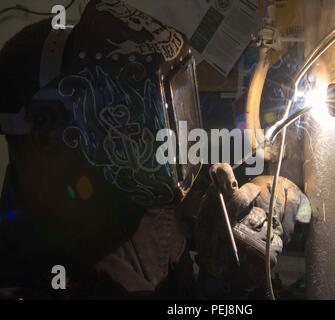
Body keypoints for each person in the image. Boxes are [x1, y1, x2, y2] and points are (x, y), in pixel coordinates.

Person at [0, 0, 310, 299]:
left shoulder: (120, 185)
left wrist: (260, 192)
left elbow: (193, 214)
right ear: (47, 131)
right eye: (115, 111)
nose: (139, 135)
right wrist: (220, 289)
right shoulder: (31, 282)